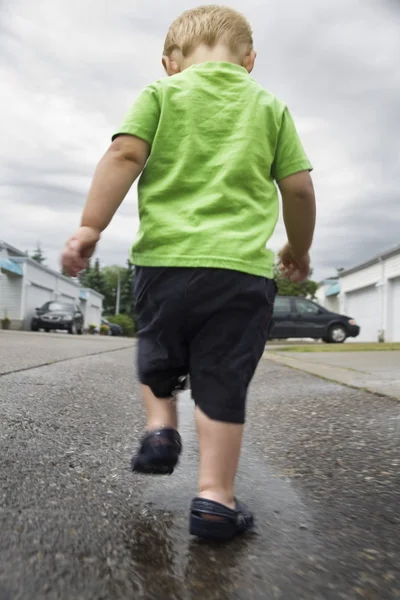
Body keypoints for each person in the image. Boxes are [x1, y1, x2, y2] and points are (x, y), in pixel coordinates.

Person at [61, 5, 316, 542]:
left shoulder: (161, 93)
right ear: (249, 60)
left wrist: (89, 227)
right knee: (222, 377)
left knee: (158, 348)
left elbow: (124, 154)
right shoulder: (270, 106)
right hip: (242, 273)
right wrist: (297, 247)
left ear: (170, 61)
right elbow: (297, 188)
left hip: (164, 261)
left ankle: (159, 429)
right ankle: (215, 501)